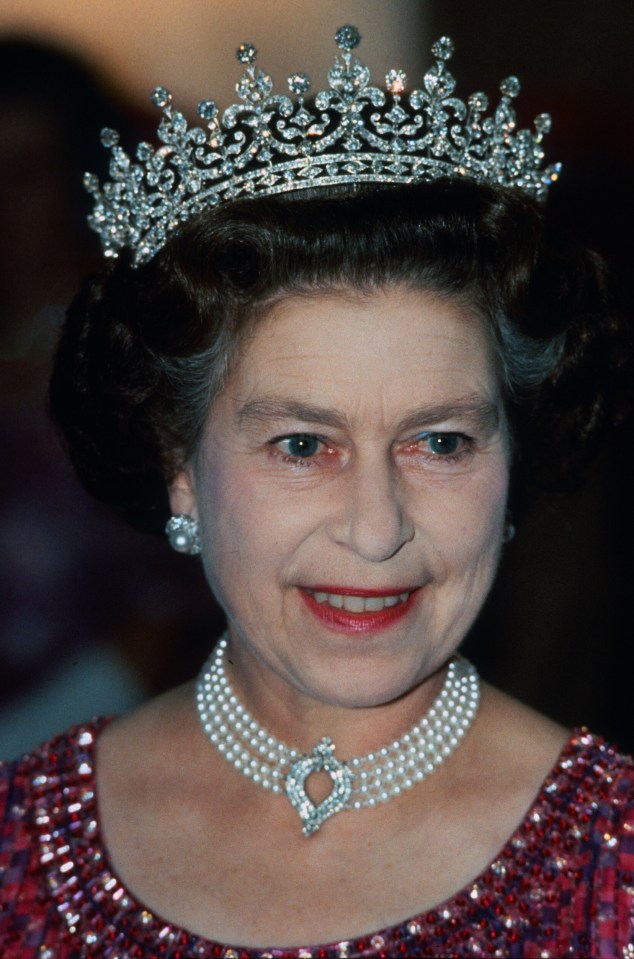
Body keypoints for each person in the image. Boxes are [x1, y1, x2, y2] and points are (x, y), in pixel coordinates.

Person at [1, 25, 632, 959]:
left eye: (441, 441)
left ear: (513, 465)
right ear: (180, 461)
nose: (376, 530)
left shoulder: (618, 862)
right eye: (303, 444)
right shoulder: (18, 839)